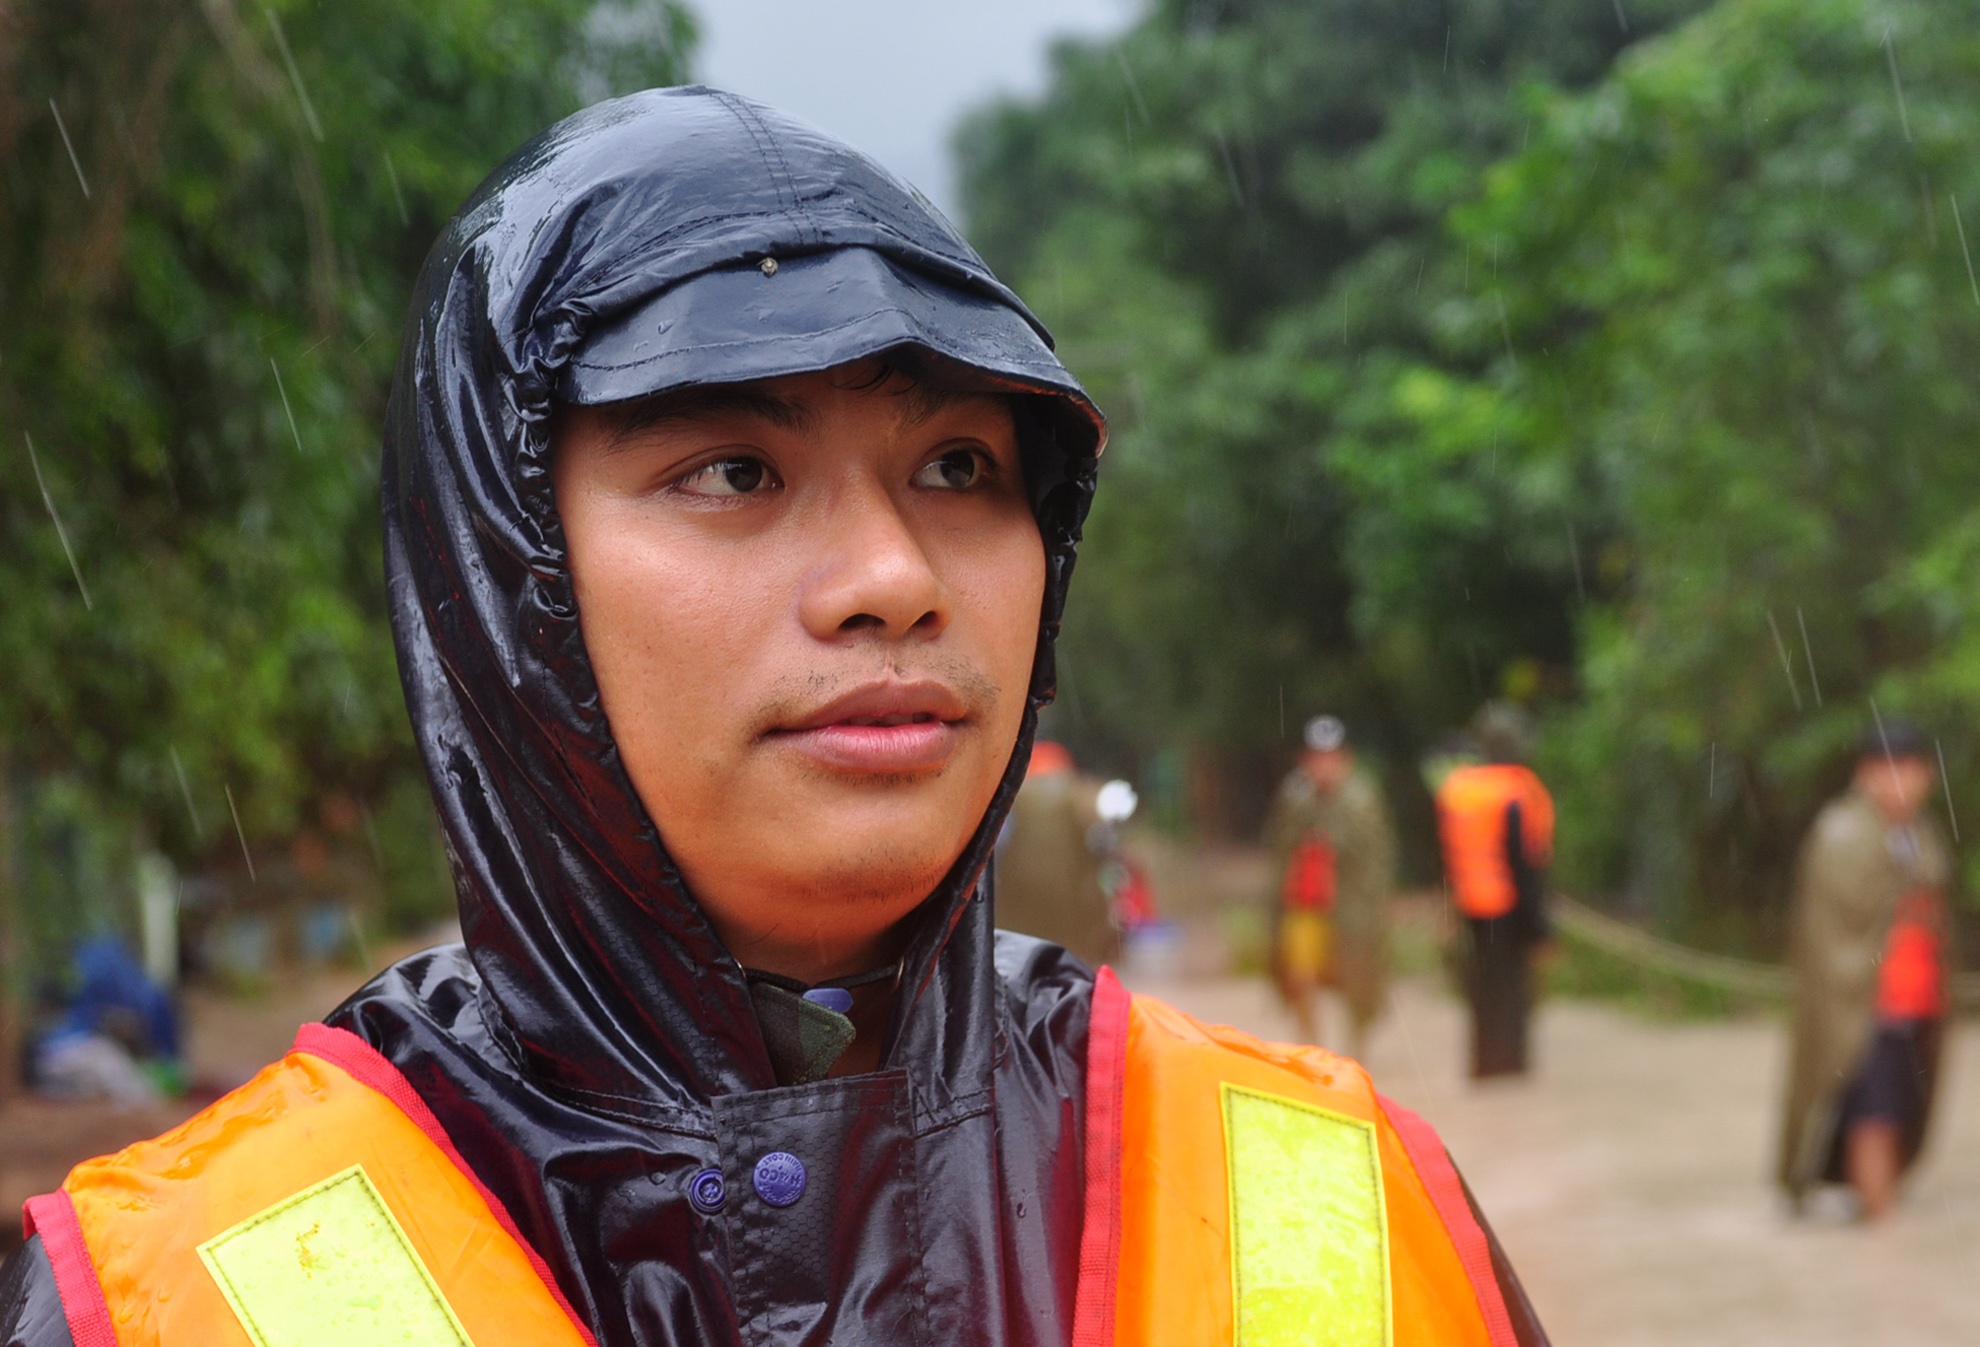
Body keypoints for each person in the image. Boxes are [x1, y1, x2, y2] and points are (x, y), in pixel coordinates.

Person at [0, 89, 1547, 1345]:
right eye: (733, 469)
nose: (895, 577)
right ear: (503, 577)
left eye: (958, 467)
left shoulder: (1339, 1194)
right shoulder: (175, 1288)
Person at [1779, 720, 1954, 1220]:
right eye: (1888, 769)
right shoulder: (1841, 834)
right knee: (1872, 1115)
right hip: (1861, 999)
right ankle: (1881, 1232)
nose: (1901, 782)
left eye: (1912, 769)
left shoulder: (1921, 834)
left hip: (1916, 998)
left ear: (1928, 776)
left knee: (1899, 1113)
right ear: (1865, 774)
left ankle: (1878, 1211)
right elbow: (1830, 931)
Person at [1265, 715, 1397, 1057]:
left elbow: (1375, 859)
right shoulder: (1294, 798)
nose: (1323, 766)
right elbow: (1280, 851)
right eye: (1316, 758)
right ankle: (1312, 1048)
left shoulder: (1362, 800)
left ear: (1345, 759)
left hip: (1352, 907)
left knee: (1359, 981)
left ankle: (1356, 1049)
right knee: (1298, 976)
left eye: (1330, 757)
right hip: (1305, 904)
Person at [1435, 705, 1554, 1079]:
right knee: (1512, 988)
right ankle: (1509, 1062)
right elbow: (1524, 865)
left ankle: (1484, 1062)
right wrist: (1540, 927)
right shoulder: (1515, 792)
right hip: (1507, 905)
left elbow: (1444, 855)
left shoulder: (1460, 789)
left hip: (1470, 903)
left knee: (1482, 986)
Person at [993, 740, 1120, 967]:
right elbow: (1100, 845)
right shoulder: (1080, 797)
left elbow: (995, 848)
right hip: (1070, 903)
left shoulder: (1008, 796)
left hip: (1018, 903)